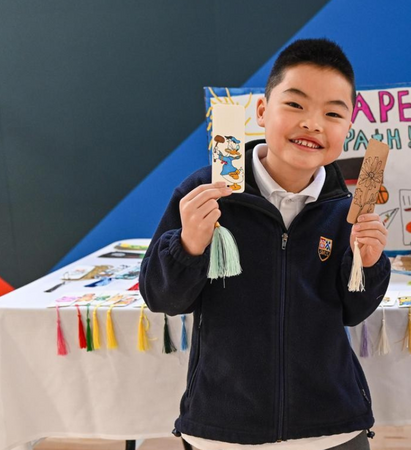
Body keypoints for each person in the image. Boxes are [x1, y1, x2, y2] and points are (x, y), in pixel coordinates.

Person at [140, 38, 390, 450]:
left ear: (348, 129)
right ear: (261, 111)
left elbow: (353, 311)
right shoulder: (207, 192)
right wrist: (189, 246)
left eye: (332, 113)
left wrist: (369, 262)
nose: (312, 123)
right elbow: (161, 298)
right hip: (223, 429)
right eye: (295, 105)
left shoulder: (346, 209)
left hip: (333, 427)